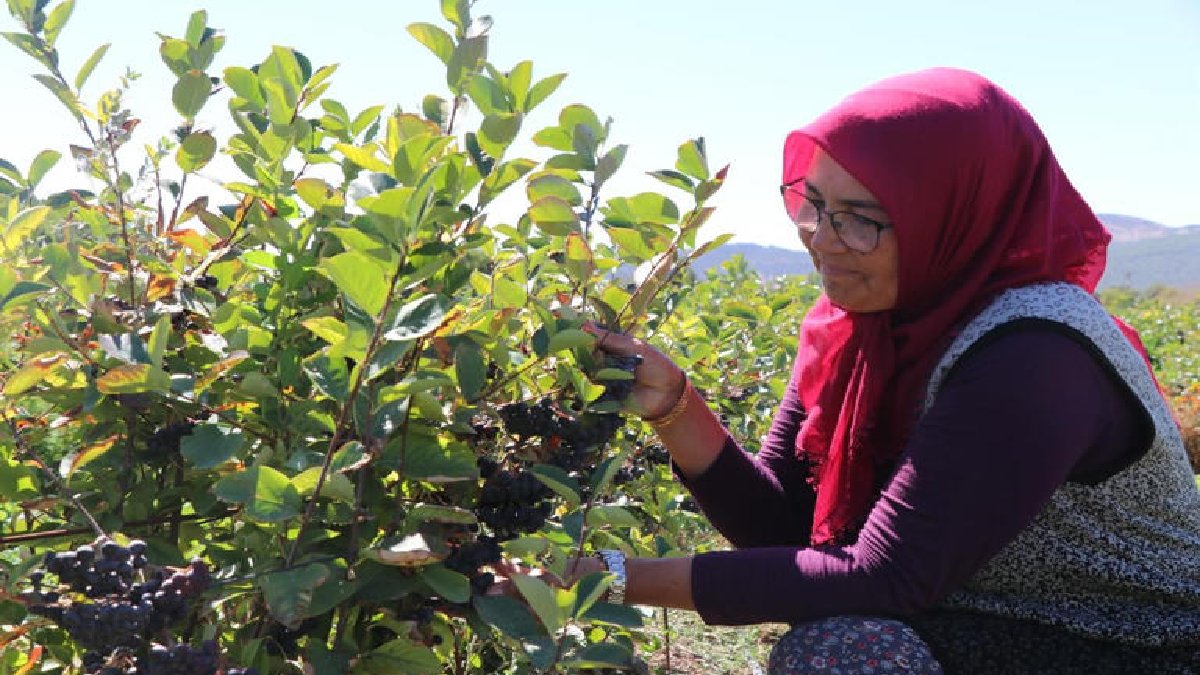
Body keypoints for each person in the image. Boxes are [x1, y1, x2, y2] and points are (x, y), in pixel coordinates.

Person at [500, 67, 1200, 674]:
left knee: (839, 654)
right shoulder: (858, 328)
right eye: (814, 205)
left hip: (1135, 642)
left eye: (861, 218)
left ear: (952, 214)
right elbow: (785, 527)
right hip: (982, 617)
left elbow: (884, 575)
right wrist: (675, 408)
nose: (822, 240)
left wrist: (595, 579)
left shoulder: (1034, 354)